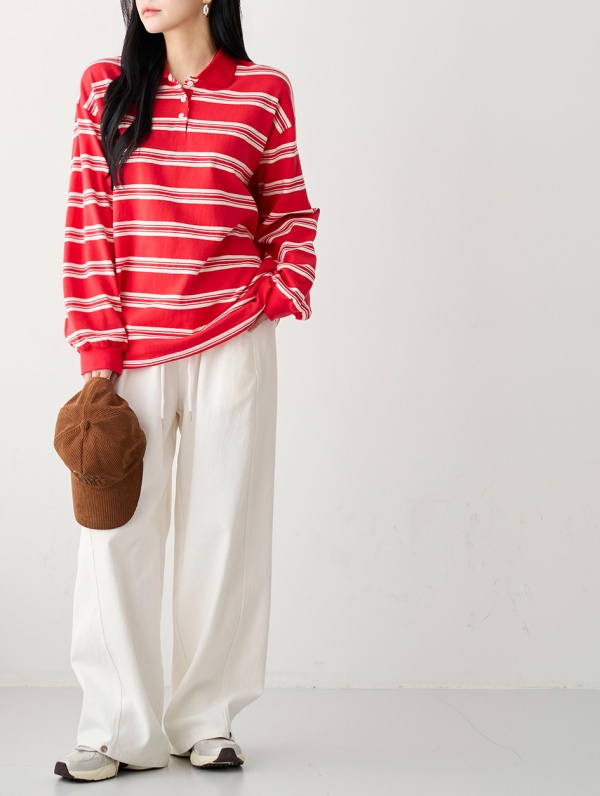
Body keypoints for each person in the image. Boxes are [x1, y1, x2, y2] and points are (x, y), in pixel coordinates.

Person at [54, 0, 320, 782]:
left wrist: (277, 291)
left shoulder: (264, 91)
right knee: (115, 537)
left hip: (234, 340)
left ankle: (206, 719)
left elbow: (288, 211)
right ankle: (117, 728)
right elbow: (89, 222)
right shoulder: (105, 88)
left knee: (224, 534)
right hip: (131, 354)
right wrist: (98, 352)